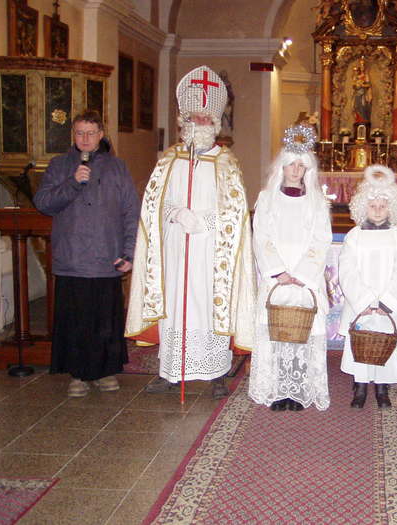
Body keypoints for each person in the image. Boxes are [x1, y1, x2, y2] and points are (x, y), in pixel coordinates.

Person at [125, 66, 255, 399]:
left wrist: (205, 222)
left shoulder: (225, 162)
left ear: (215, 123)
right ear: (185, 120)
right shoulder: (170, 160)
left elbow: (235, 210)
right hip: (175, 247)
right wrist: (176, 214)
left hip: (210, 251)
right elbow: (154, 204)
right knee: (175, 307)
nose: (201, 122)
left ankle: (216, 373)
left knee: (208, 306)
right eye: (195, 117)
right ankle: (170, 371)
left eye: (207, 118)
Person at [34, 110, 139, 397]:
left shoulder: (117, 167)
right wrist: (72, 183)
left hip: (107, 256)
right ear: (73, 135)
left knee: (105, 319)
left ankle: (105, 372)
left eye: (91, 133)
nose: (85, 139)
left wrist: (129, 252)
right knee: (76, 320)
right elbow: (43, 203)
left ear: (101, 135)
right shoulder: (59, 165)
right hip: (73, 258)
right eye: (80, 133)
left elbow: (131, 211)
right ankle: (77, 375)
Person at [249, 125, 332, 411]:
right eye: (291, 164)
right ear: (282, 167)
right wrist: (278, 271)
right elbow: (261, 236)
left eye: (301, 165)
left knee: (302, 333)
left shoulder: (316, 202)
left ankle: (297, 391)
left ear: (307, 169)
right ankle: (277, 389)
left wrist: (302, 274)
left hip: (304, 279)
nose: (296, 170)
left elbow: (321, 239)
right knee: (276, 332)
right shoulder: (267, 198)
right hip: (277, 278)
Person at [338, 165, 397, 408]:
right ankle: (359, 386)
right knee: (360, 342)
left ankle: (382, 388)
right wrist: (365, 301)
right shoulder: (354, 236)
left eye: (383, 205)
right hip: (361, 304)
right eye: (373, 205)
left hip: (387, 305)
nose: (378, 210)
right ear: (363, 206)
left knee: (385, 342)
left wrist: (385, 302)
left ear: (392, 207)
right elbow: (347, 271)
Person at [352, 57, 373, 125]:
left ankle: (364, 120)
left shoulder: (366, 75)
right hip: (357, 94)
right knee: (356, 106)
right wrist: (355, 85)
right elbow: (353, 86)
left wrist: (362, 85)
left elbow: (368, 85)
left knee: (363, 106)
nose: (362, 67)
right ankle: (358, 120)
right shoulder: (356, 76)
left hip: (363, 94)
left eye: (363, 65)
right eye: (361, 65)